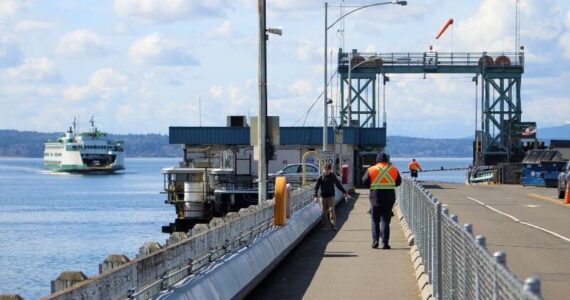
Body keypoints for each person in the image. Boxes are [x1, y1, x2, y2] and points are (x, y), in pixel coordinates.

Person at [362, 152, 402, 249]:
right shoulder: (394, 169)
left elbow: (364, 182)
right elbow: (398, 183)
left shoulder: (371, 169)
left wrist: (373, 186)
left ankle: (375, 240)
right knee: (385, 220)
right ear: (387, 160)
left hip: (375, 197)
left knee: (375, 220)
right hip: (389, 198)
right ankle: (385, 243)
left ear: (377, 160)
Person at [314, 163, 349, 231]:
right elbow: (316, 187)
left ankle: (333, 224)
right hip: (323, 197)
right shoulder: (321, 177)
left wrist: (345, 192)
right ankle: (325, 225)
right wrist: (315, 196)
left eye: (327, 170)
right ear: (323, 170)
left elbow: (338, 185)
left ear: (330, 170)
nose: (326, 171)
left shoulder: (333, 177)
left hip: (331, 196)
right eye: (325, 170)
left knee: (331, 210)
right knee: (323, 212)